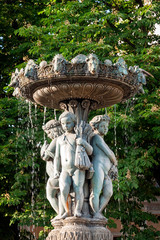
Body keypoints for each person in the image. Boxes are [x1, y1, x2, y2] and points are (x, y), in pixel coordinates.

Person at [54, 111, 93, 219]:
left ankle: (77, 210)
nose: (65, 126)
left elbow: (90, 151)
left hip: (77, 168)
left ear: (74, 123)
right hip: (65, 169)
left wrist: (83, 143)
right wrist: (56, 170)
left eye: (68, 123)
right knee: (63, 188)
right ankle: (67, 211)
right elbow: (57, 156)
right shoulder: (59, 139)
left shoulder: (77, 137)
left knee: (78, 188)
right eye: (63, 124)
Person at [89, 115, 117, 219]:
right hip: (98, 166)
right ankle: (95, 213)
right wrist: (115, 163)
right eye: (103, 126)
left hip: (106, 170)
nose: (105, 129)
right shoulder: (96, 137)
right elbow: (109, 153)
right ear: (96, 127)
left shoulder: (101, 138)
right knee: (96, 191)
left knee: (109, 192)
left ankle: (99, 211)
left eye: (107, 126)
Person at [41, 119, 63, 216]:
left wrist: (43, 150)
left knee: (50, 195)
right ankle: (64, 212)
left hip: (57, 174)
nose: (49, 135)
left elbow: (46, 157)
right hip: (63, 172)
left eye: (49, 132)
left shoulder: (56, 140)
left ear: (55, 130)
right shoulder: (64, 139)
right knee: (61, 195)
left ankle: (60, 214)